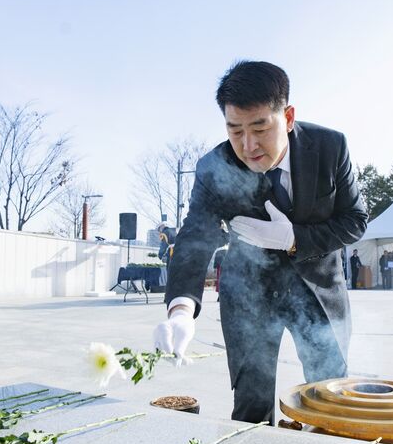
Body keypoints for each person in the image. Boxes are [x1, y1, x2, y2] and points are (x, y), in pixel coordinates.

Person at [153, 61, 368, 425]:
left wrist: (294, 238)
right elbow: (194, 238)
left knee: (330, 397)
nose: (248, 145)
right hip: (249, 294)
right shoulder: (213, 167)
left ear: (288, 117)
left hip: (317, 289)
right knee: (251, 405)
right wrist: (181, 310)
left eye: (260, 128)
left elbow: (355, 221)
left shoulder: (330, 147)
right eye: (234, 130)